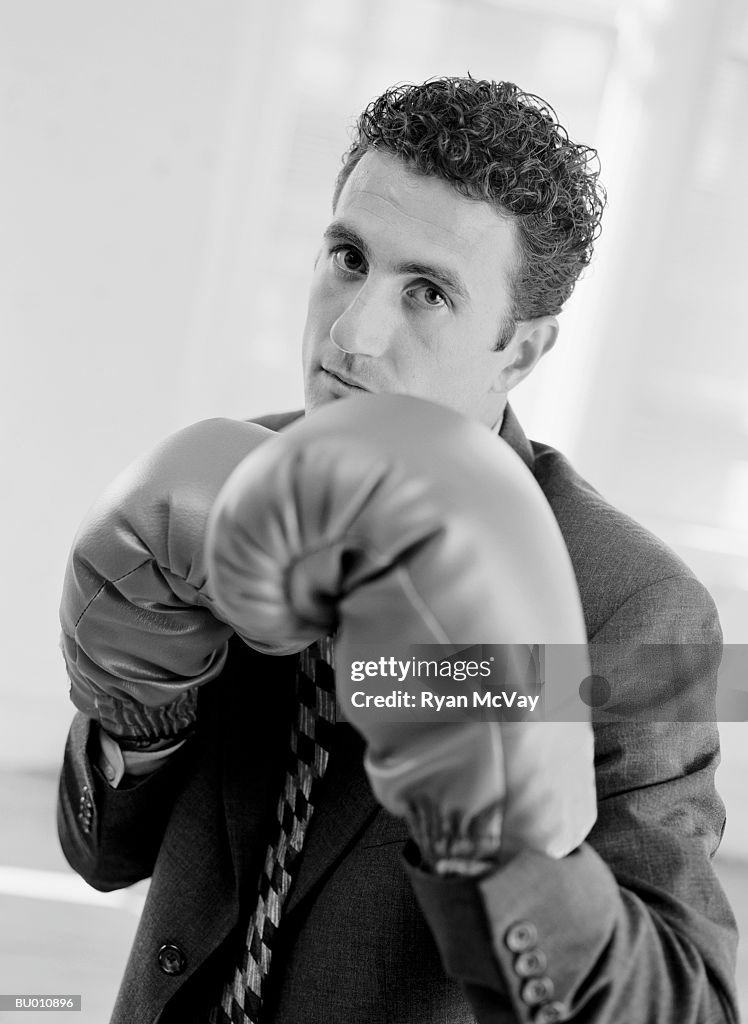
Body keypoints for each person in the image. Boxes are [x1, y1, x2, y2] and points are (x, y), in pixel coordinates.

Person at [57, 77, 739, 1023]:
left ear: (522, 350)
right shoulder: (221, 489)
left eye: (427, 292)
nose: (351, 331)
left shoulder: (629, 604)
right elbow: (105, 857)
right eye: (348, 258)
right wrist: (140, 716)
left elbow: (683, 1006)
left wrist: (488, 829)